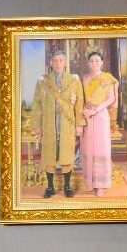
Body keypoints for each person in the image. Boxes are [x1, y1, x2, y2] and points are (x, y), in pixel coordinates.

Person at [29, 49, 84, 199]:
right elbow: (37, 103)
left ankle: (67, 186)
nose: (58, 63)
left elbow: (79, 103)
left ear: (65, 63)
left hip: (67, 122)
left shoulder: (73, 80)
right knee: (49, 154)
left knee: (66, 153)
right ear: (51, 63)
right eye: (55, 60)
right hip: (49, 122)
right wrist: (37, 124)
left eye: (61, 60)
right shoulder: (43, 81)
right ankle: (50, 186)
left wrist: (79, 124)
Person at [80, 51, 119, 198]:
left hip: (100, 116)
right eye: (91, 61)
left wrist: (95, 110)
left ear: (102, 62)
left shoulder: (107, 78)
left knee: (101, 149)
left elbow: (111, 99)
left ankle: (101, 186)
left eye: (97, 60)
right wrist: (84, 110)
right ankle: (90, 183)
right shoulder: (84, 78)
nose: (94, 63)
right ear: (88, 63)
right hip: (86, 116)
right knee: (88, 149)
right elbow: (81, 98)